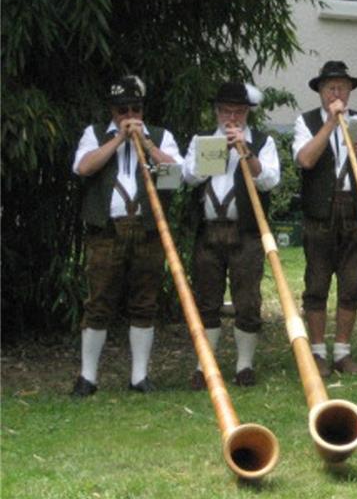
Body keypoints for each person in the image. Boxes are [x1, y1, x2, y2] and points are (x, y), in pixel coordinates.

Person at [71, 75, 183, 395]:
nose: (129, 115)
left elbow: (175, 175)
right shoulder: (94, 135)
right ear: (112, 110)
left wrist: (147, 145)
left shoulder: (161, 137)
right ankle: (88, 377)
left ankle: (139, 376)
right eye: (123, 110)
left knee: (144, 303)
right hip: (106, 232)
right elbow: (84, 168)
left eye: (135, 109)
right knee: (98, 303)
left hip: (147, 231)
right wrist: (118, 139)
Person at [293, 61, 357, 378]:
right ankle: (318, 353)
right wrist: (331, 125)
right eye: (331, 87)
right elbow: (305, 160)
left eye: (342, 87)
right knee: (317, 283)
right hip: (319, 214)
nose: (337, 93)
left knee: (352, 284)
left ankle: (343, 352)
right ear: (321, 91)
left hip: (355, 213)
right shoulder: (306, 122)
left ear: (349, 91)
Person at [183, 82, 281, 389]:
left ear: (248, 114)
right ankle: (205, 365)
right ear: (217, 112)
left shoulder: (262, 142)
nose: (232, 117)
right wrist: (218, 150)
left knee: (247, 299)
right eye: (227, 111)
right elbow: (190, 176)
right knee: (206, 299)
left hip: (247, 232)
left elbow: (268, 181)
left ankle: (244, 366)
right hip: (209, 231)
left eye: (239, 111)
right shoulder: (202, 140)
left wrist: (245, 151)